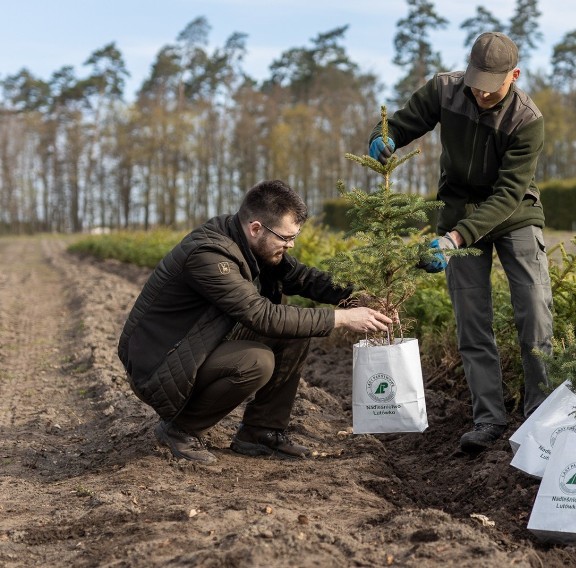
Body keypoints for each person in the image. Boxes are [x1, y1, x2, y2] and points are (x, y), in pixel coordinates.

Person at [117, 179, 392, 464]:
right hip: (161, 365)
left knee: (295, 333)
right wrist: (343, 318)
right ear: (256, 228)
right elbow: (260, 315)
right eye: (286, 238)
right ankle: (179, 429)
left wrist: (357, 297)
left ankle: (260, 433)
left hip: (196, 344)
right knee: (256, 361)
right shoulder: (208, 255)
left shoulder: (250, 244)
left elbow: (303, 278)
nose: (291, 244)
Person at [368, 32, 553, 454]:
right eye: (477, 83)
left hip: (514, 216)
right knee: (472, 320)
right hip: (457, 211)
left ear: (515, 75)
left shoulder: (527, 120)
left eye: (494, 86)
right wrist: (386, 138)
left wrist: (454, 239)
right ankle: (488, 419)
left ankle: (539, 417)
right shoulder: (445, 90)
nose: (483, 94)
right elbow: (400, 123)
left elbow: (507, 195)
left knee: (534, 312)